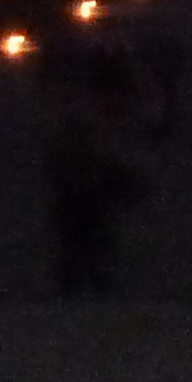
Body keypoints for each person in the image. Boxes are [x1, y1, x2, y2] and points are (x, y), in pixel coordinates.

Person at [45, 104, 148, 294]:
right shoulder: (71, 161)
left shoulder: (92, 161)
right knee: (78, 252)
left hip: (91, 213)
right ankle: (80, 287)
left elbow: (119, 179)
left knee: (94, 251)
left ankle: (94, 286)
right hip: (77, 213)